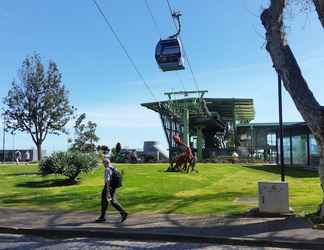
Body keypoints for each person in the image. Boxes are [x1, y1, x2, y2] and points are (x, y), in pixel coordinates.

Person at [96, 158, 128, 223]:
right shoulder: (114, 168)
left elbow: (107, 180)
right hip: (113, 187)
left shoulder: (107, 169)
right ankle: (103, 217)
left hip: (108, 186)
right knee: (108, 201)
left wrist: (107, 190)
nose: (103, 165)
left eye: (103, 163)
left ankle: (123, 213)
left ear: (105, 163)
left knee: (108, 201)